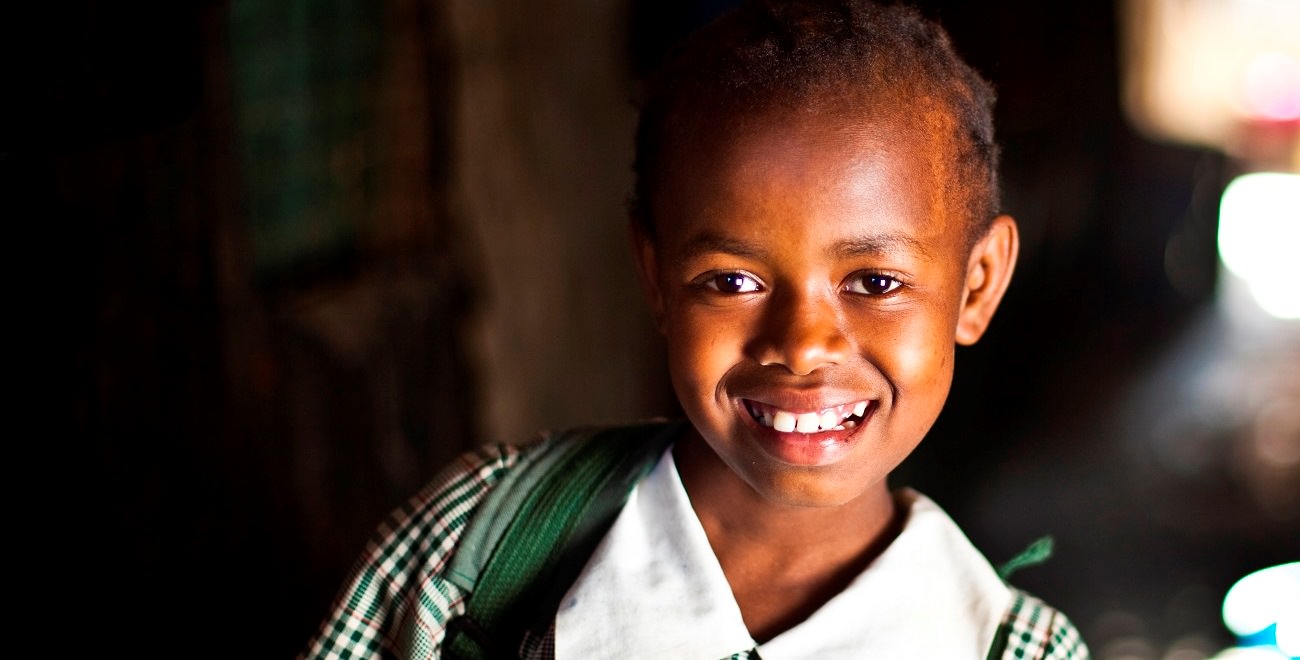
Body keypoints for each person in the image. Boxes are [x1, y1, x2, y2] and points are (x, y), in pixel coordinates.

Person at [301, 1, 1090, 657]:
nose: (804, 343)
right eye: (732, 281)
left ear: (975, 285)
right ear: (655, 279)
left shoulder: (1014, 649)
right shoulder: (479, 546)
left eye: (875, 283)